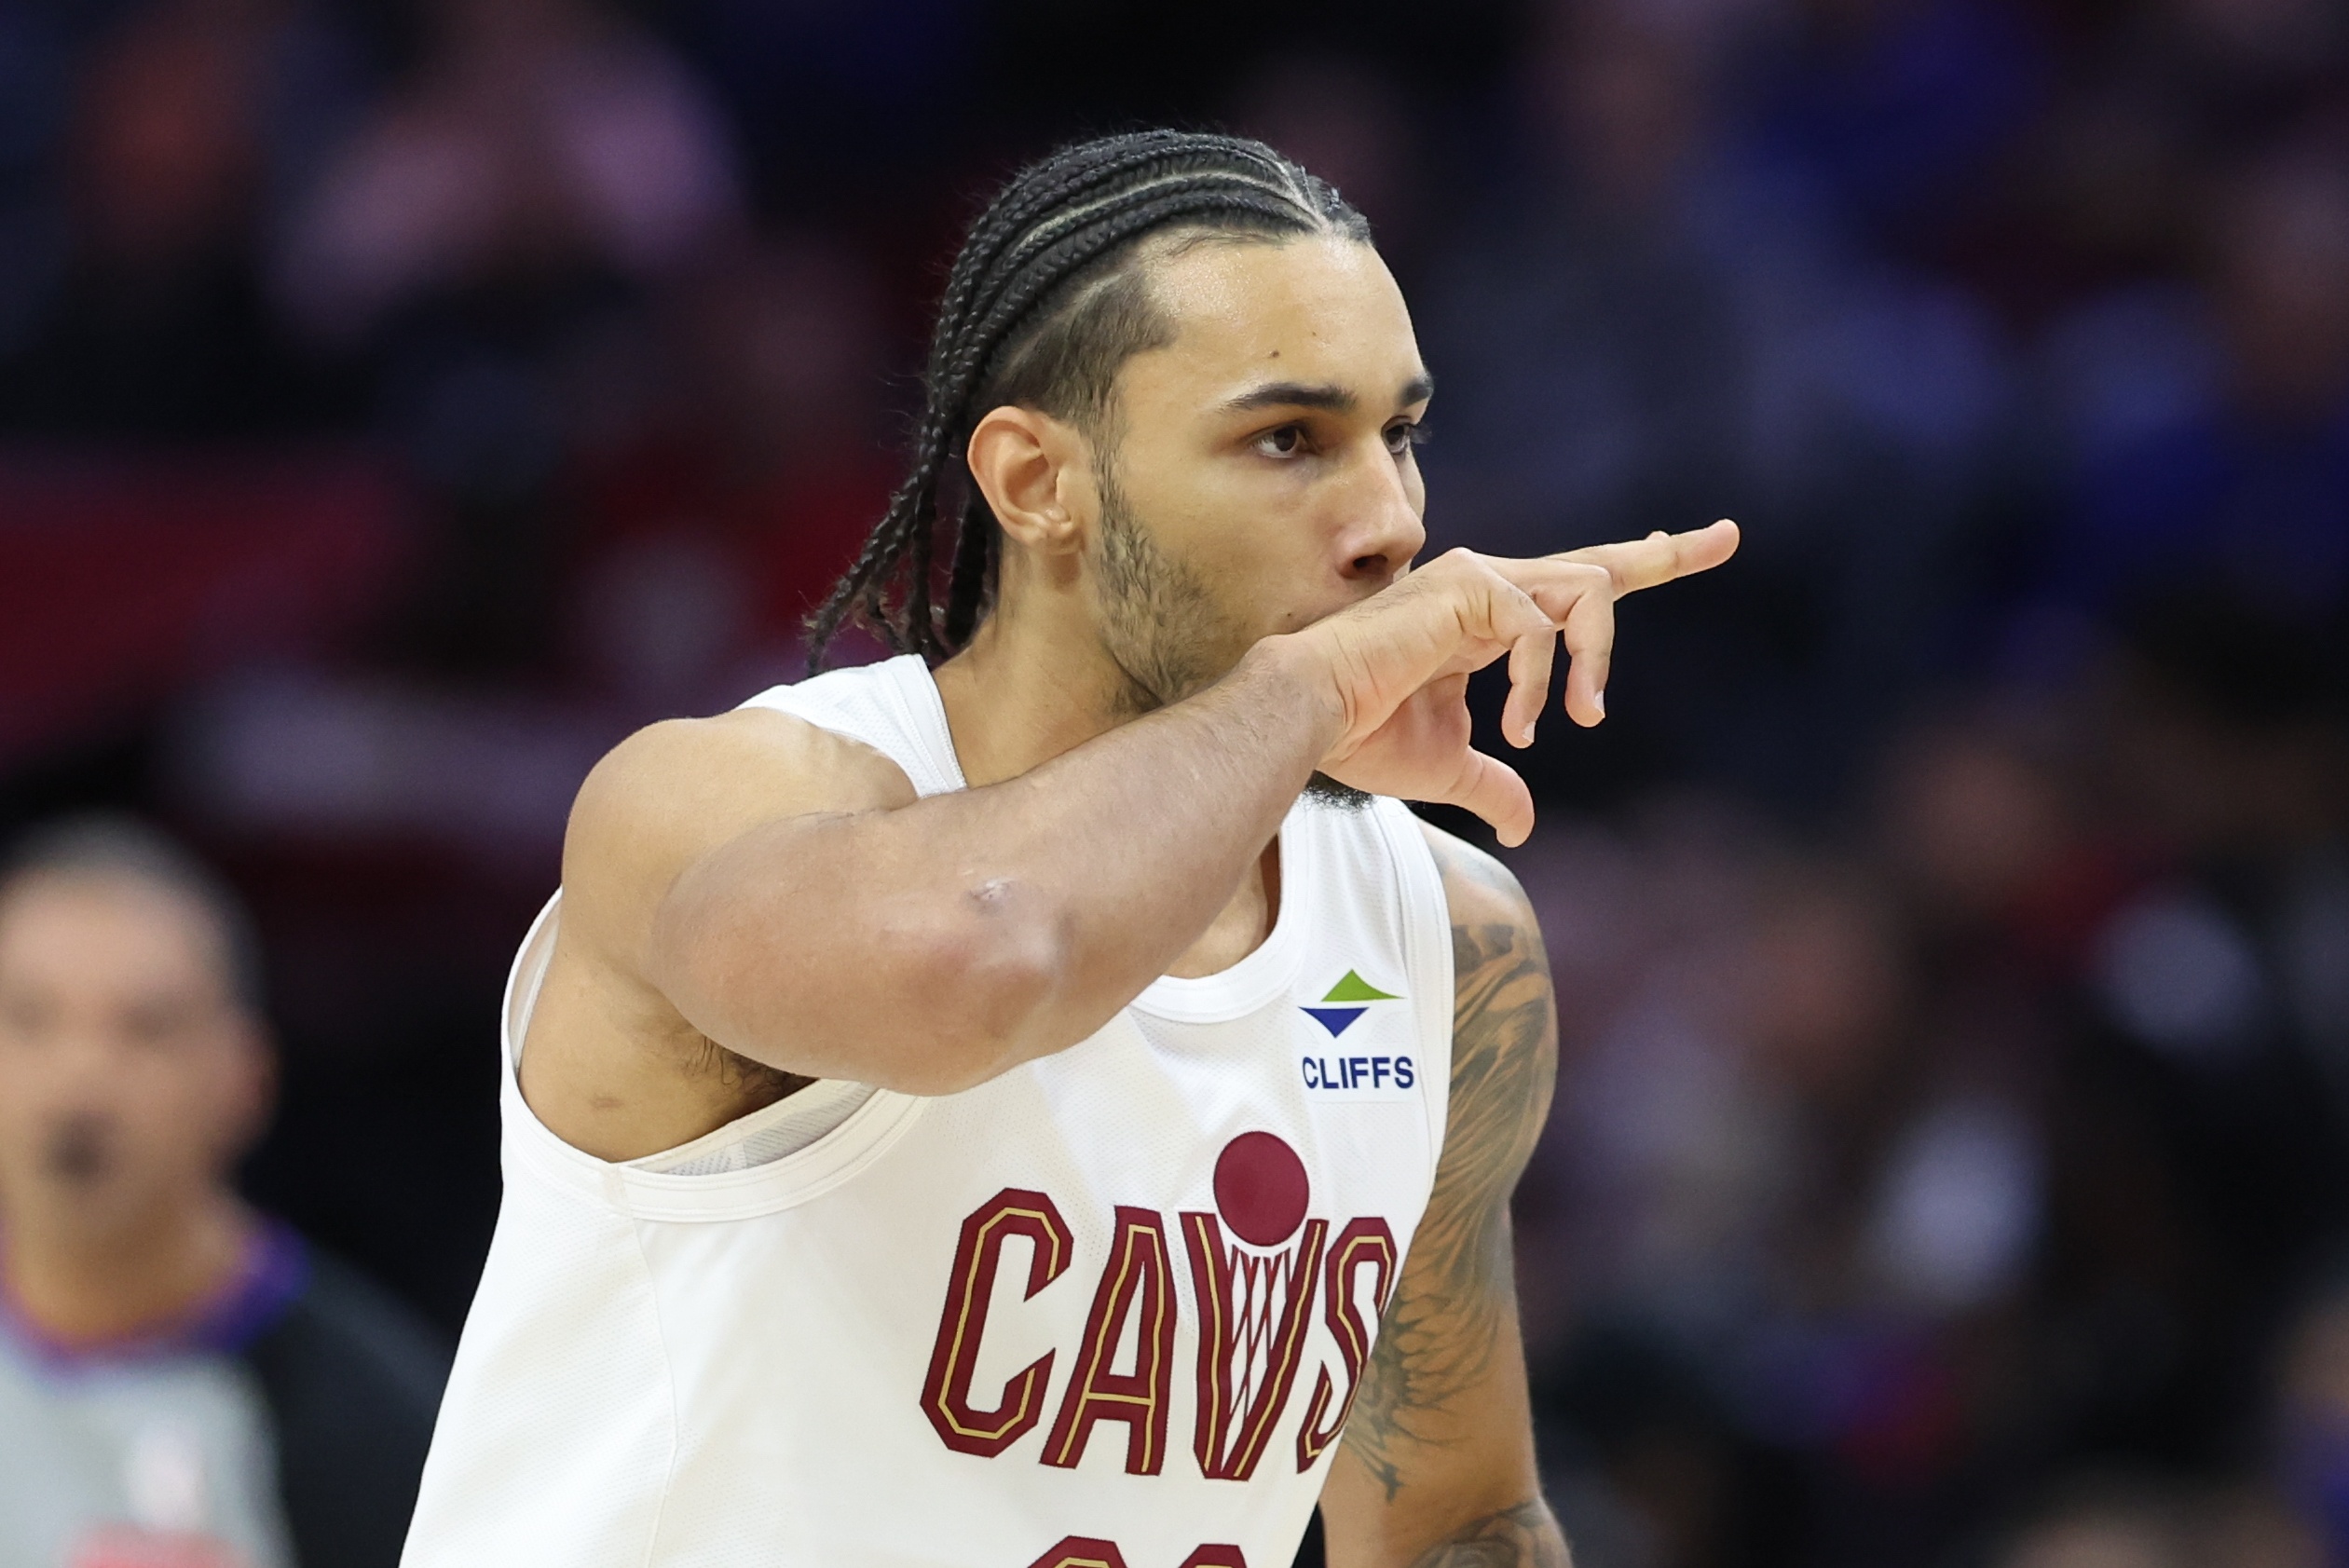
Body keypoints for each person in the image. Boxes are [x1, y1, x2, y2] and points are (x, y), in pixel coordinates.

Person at [403, 130, 1738, 1568]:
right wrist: (1304, 690)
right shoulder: (723, 800)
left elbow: (1454, 1518)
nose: (1391, 523)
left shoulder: (1444, 935)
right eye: (1287, 440)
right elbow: (982, 962)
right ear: (1037, 478)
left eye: (1398, 436)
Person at [0, 817, 450, 1568]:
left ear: (246, 1079)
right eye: (28, 1019)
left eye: (146, 1029)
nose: (80, 1081)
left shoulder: (375, 1427)